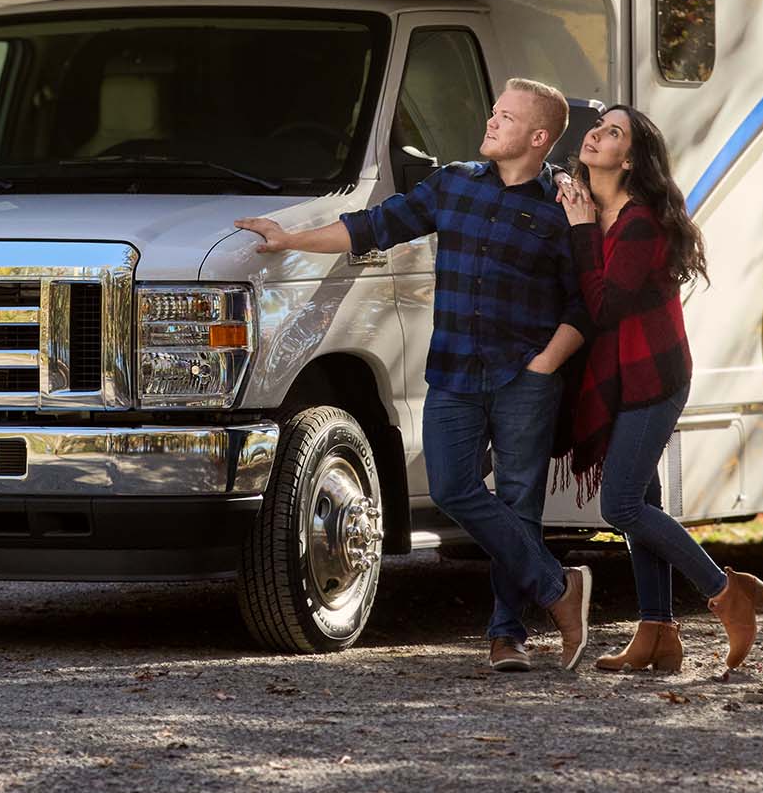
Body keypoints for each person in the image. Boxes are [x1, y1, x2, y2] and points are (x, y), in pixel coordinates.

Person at [237, 79, 595, 672]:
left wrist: (546, 362)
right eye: (494, 111)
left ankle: (508, 636)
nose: (490, 122)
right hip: (454, 370)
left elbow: (587, 299)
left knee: (518, 503)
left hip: (525, 376)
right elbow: (372, 226)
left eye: (505, 117)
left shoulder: (563, 205)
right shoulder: (453, 184)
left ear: (537, 137)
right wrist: (292, 238)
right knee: (454, 489)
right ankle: (560, 589)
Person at [555, 104, 763, 674]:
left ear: (630, 158)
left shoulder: (640, 220)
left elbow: (606, 306)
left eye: (614, 132)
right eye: (597, 126)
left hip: (654, 376)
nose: (597, 134)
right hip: (623, 376)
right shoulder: (589, 207)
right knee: (643, 504)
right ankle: (657, 633)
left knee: (621, 504)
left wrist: (579, 233)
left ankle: (726, 592)